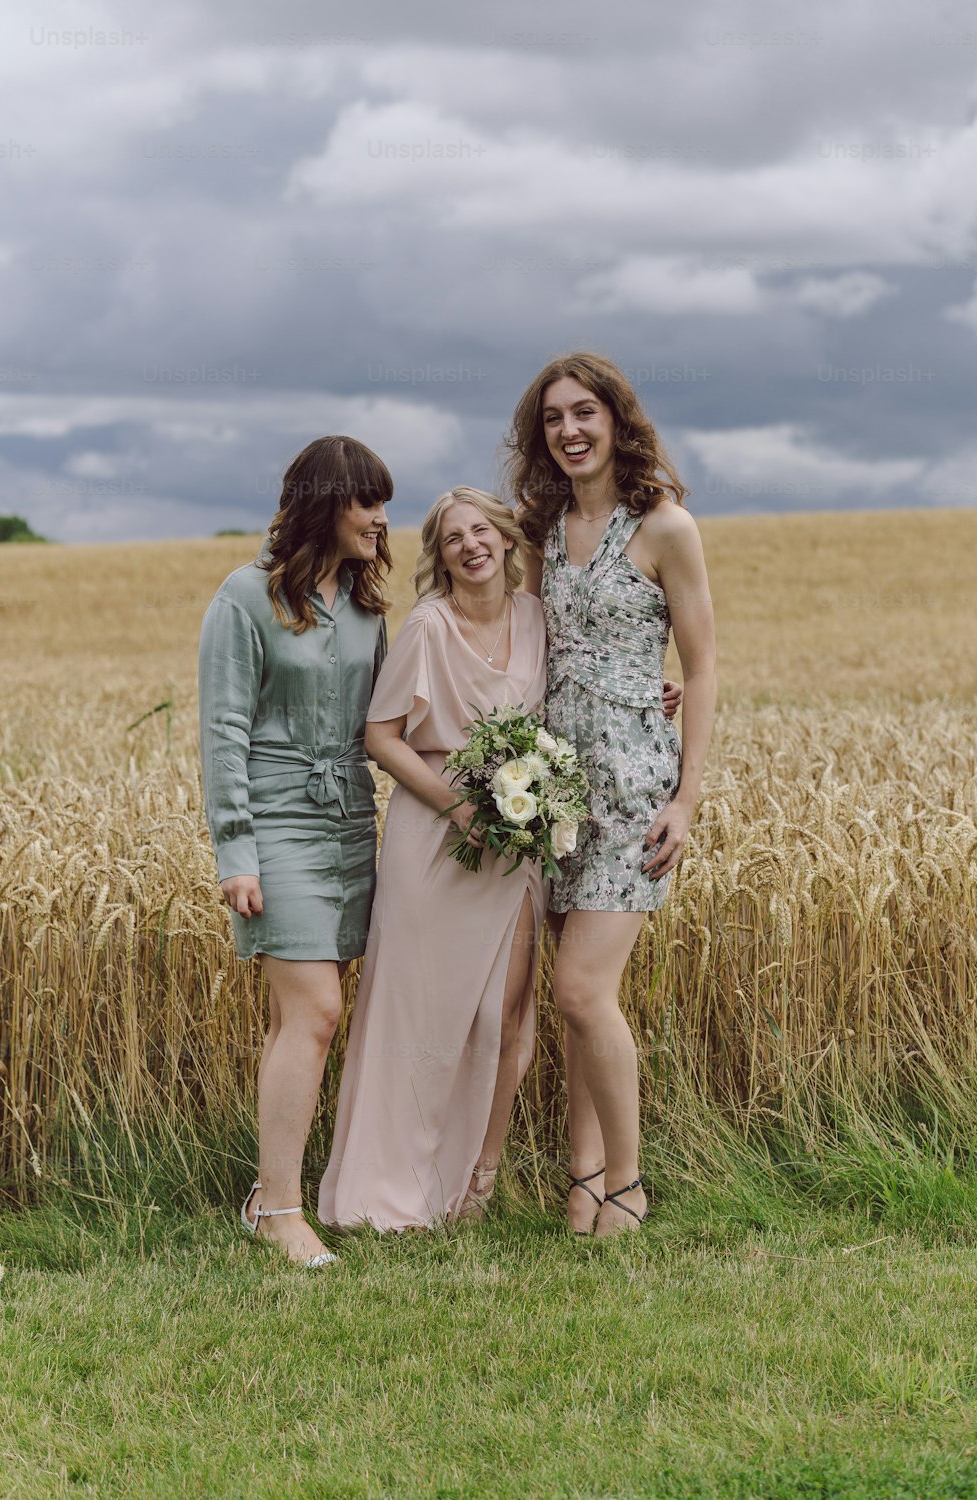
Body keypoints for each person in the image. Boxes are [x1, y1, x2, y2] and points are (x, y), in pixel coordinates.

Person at [507, 351, 717, 1236]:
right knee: (573, 1003)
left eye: (585, 412)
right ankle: (582, 1182)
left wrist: (687, 798)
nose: (570, 430)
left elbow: (702, 669)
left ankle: (627, 1186)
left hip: (634, 785)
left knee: (583, 991)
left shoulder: (665, 527)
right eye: (554, 417)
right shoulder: (538, 529)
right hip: (554, 790)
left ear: (616, 420)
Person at [318, 488, 550, 1230]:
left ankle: (474, 1192)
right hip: (436, 842)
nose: (471, 544)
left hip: (517, 840)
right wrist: (460, 808)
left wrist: (659, 696)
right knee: (413, 1019)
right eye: (453, 538)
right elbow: (382, 736)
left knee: (502, 1017)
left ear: (508, 540)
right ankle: (390, 1192)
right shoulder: (427, 625)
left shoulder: (536, 618)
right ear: (441, 556)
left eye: (482, 530)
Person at [198, 434, 392, 1267]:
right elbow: (223, 729)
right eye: (366, 502)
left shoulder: (364, 606)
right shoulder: (244, 599)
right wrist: (235, 850)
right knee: (316, 1014)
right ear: (324, 504)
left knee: (298, 1020)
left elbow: (393, 722)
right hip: (275, 826)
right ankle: (278, 1209)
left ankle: (279, 1192)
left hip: (352, 821)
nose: (382, 519)